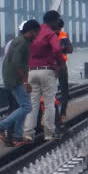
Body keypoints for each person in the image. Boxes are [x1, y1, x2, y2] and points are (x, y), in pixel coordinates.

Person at [24, 10, 64, 142]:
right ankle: (49, 133)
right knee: (49, 103)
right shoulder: (50, 34)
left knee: (33, 104)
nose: (59, 24)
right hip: (47, 71)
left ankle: (28, 133)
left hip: (32, 71)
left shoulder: (34, 32)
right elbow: (57, 49)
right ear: (53, 21)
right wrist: (60, 63)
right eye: (58, 21)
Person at [0, 20, 40, 146]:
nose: (37, 35)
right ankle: (2, 126)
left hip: (13, 77)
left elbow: (22, 64)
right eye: (37, 32)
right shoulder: (22, 43)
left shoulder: (23, 41)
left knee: (23, 106)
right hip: (14, 79)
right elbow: (17, 64)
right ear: (31, 31)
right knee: (27, 107)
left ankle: (17, 136)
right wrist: (25, 82)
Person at [56, 19, 73, 121]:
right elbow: (70, 49)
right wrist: (63, 49)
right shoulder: (63, 35)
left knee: (47, 92)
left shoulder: (45, 35)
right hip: (61, 65)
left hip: (49, 67)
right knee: (64, 91)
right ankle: (62, 114)